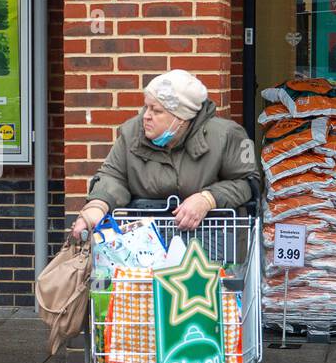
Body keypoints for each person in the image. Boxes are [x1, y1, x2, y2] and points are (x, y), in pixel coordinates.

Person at [70, 70, 260, 238]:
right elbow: (113, 176)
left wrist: (208, 199)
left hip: (210, 240)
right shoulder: (132, 133)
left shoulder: (227, 135)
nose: (146, 116)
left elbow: (248, 183)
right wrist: (97, 206)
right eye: (146, 107)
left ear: (181, 118)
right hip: (144, 241)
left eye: (156, 110)